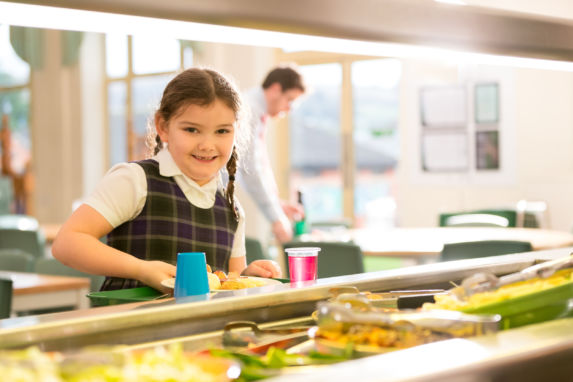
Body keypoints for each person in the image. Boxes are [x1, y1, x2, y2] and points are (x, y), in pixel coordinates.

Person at [52, 68, 281, 293]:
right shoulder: (135, 180)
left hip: (201, 331)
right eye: (192, 129)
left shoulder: (232, 209)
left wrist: (249, 276)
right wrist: (141, 269)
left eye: (222, 131)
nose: (207, 145)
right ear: (163, 126)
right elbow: (67, 244)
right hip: (131, 327)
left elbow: (229, 284)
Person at [239, 65, 306, 243]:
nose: (289, 108)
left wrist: (278, 206)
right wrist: (276, 218)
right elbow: (250, 169)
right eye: (289, 100)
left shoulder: (258, 112)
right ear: (276, 89)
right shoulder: (249, 110)